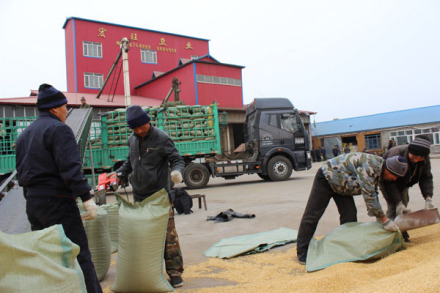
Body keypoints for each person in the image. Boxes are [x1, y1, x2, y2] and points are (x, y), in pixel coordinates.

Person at [15, 84, 102, 293]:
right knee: (79, 255)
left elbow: (21, 172)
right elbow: (71, 170)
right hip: (58, 203)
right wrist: (87, 198)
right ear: (54, 109)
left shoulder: (24, 135)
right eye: (64, 107)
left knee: (48, 258)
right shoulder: (60, 129)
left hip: (34, 206)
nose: (66, 111)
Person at [116, 105, 185, 288]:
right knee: (144, 237)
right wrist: (121, 172)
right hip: (140, 197)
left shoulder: (161, 138)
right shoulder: (132, 139)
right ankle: (151, 272)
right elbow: (130, 161)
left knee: (168, 237)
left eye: (141, 127)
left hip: (160, 196)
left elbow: (177, 159)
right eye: (135, 128)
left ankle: (175, 273)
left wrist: (177, 172)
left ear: (148, 121)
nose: (139, 131)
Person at [296, 152, 408, 265]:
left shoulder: (381, 168)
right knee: (313, 214)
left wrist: (384, 214)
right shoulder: (369, 166)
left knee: (349, 215)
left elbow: (374, 192)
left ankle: (346, 248)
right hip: (327, 177)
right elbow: (369, 195)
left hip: (342, 185)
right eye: (394, 176)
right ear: (389, 170)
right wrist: (384, 219)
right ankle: (302, 252)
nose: (394, 179)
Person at [380, 134, 434, 242]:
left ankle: (402, 233)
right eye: (414, 157)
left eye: (420, 158)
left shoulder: (424, 158)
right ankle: (388, 237)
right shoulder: (395, 154)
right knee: (393, 207)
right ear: (410, 150)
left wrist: (428, 197)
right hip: (388, 180)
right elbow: (388, 182)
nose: (416, 160)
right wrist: (398, 202)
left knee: (404, 206)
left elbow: (425, 177)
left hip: (404, 183)